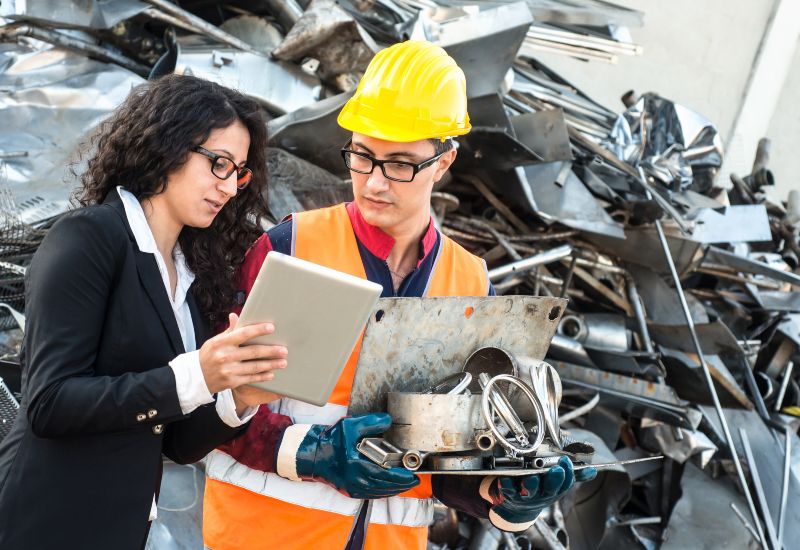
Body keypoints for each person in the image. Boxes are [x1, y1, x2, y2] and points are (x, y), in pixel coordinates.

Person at [202, 41, 595, 550]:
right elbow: (209, 409)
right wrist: (313, 452)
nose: (374, 182)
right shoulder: (289, 248)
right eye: (362, 156)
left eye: (401, 164)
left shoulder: (471, 285)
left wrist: (505, 492)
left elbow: (452, 455)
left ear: (444, 161)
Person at [0, 74, 287, 549]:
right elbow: (49, 403)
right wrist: (195, 374)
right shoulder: (88, 238)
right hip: (44, 521)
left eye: (239, 172)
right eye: (218, 163)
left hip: (121, 530)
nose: (230, 187)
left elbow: (172, 442)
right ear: (167, 146)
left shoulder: (189, 276)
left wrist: (236, 398)